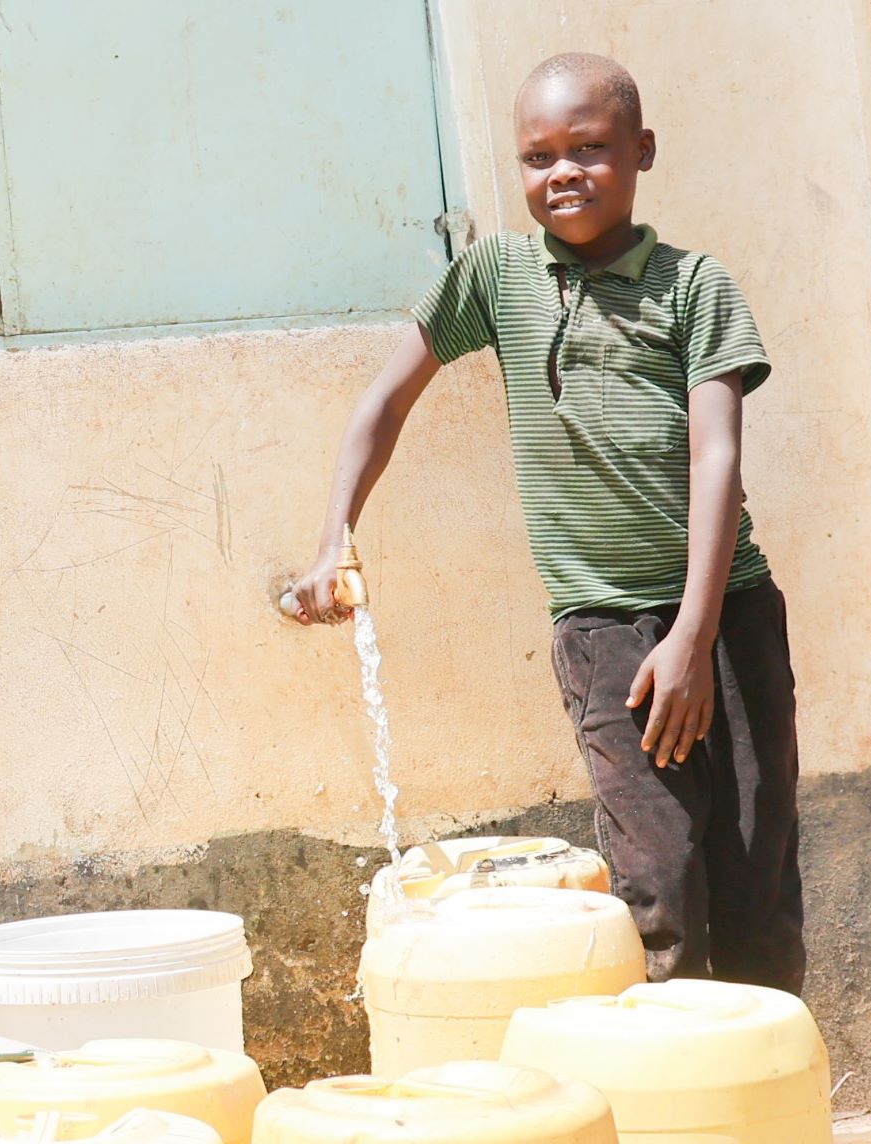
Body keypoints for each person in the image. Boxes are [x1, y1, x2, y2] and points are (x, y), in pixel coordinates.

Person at [287, 52, 802, 995]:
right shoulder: (494, 277)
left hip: (726, 615)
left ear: (641, 151)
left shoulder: (694, 287)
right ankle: (671, 1109)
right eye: (538, 157)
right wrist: (335, 536)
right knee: (661, 881)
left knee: (756, 870)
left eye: (589, 148)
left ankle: (765, 1116)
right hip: (603, 630)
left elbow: (716, 460)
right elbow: (385, 404)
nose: (562, 171)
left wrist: (694, 634)